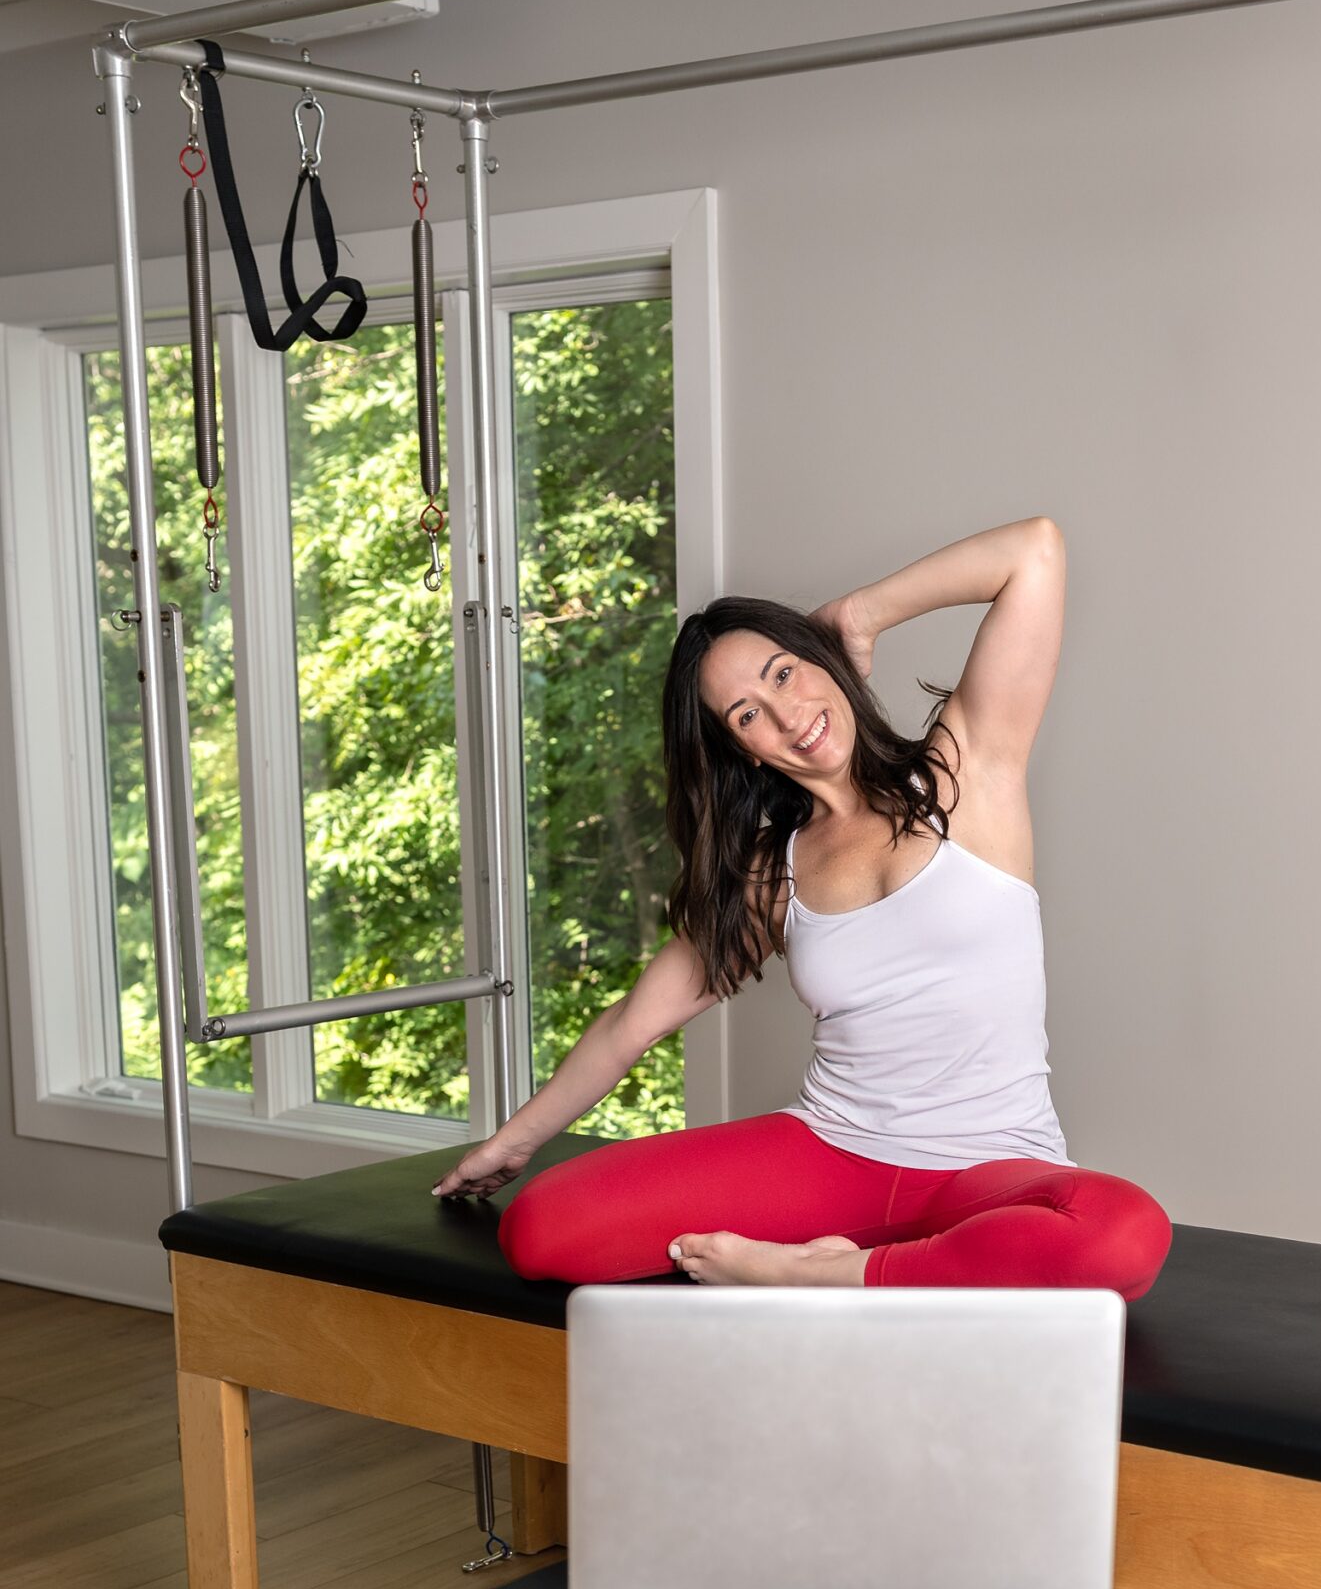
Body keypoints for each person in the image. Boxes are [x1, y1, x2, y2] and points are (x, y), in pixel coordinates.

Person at [432, 518, 1171, 1299]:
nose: (785, 716)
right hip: (830, 1154)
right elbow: (631, 1025)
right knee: (542, 1228)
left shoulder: (966, 771)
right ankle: (892, 1267)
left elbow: (1034, 552)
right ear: (739, 748)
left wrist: (862, 613)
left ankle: (818, 1270)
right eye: (746, 713)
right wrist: (509, 1145)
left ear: (820, 660)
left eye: (782, 674)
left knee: (1120, 1234)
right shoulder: (767, 873)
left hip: (987, 1170)